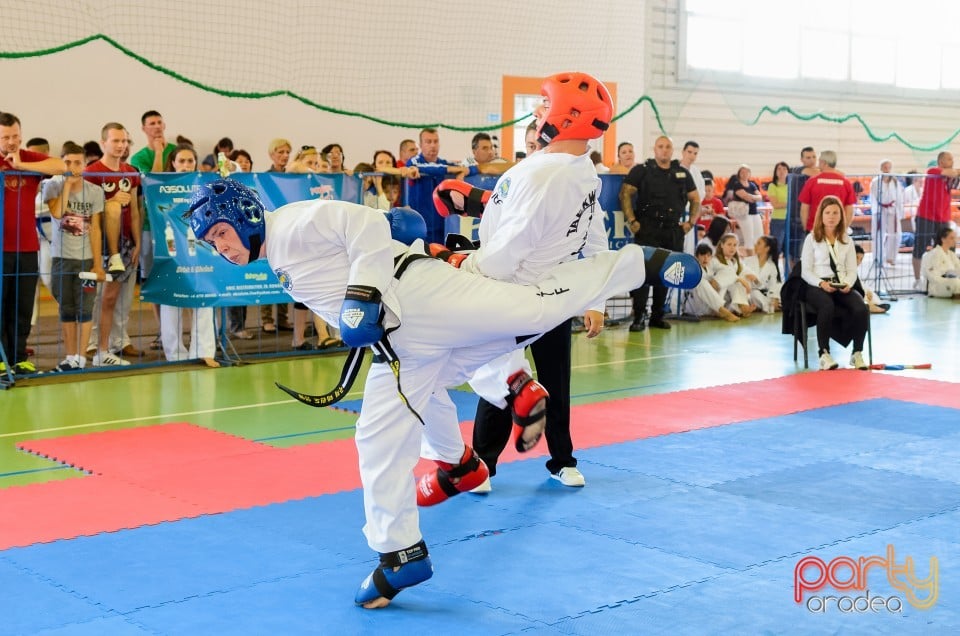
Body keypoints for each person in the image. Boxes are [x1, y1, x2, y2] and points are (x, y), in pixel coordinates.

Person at [187, 178, 687, 609]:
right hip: (402, 343)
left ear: (246, 215)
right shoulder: (279, 251)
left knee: (525, 312)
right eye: (212, 244)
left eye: (222, 234)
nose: (222, 248)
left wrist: (364, 292)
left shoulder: (292, 223)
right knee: (378, 439)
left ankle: (634, 265)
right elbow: (374, 237)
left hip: (423, 300)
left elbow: (364, 226)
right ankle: (404, 548)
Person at [447, 72, 649, 490]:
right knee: (508, 376)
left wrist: (462, 269)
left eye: (544, 105)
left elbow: (516, 245)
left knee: (519, 376)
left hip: (514, 288)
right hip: (552, 289)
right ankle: (487, 462)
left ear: (565, 118)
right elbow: (516, 219)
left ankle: (559, 458)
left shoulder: (551, 175)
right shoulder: (562, 171)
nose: (538, 112)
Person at [0, 112, 66, 375]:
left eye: (16, 135)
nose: (12, 141)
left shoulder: (26, 157)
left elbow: (61, 167)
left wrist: (25, 166)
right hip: (1, 248)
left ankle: (18, 357)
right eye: (5, 137)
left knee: (23, 305)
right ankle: (1, 358)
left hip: (27, 246)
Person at [620, 135, 701, 331]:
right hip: (647, 229)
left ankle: (657, 316)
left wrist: (690, 222)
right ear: (654, 149)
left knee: (667, 273)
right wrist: (632, 220)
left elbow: (696, 199)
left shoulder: (681, 173)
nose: (664, 150)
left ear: (672, 151)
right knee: (642, 274)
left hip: (672, 230)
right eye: (660, 147)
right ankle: (638, 317)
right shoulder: (642, 170)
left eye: (668, 147)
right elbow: (625, 193)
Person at [41, 142, 105, 371]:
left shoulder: (95, 191)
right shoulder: (52, 185)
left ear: (85, 164)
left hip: (86, 260)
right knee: (66, 309)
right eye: (67, 162)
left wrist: (98, 263)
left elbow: (96, 229)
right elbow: (57, 212)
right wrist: (66, 184)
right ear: (61, 162)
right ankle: (70, 356)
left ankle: (81, 355)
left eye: (78, 162)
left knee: (85, 308)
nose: (73, 167)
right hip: (61, 258)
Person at [84, 122, 142, 366]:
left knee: (118, 297)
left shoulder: (131, 172)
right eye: (116, 141)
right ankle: (93, 345)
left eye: (124, 141)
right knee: (99, 297)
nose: (121, 145)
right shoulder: (92, 172)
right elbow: (88, 213)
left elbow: (137, 212)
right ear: (103, 143)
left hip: (126, 243)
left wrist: (138, 243)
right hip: (101, 245)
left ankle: (109, 346)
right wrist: (110, 200)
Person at [158, 144, 219, 368]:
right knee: (171, 299)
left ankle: (203, 351)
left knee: (203, 298)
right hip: (171, 252)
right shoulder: (161, 187)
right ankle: (174, 354)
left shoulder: (204, 186)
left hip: (200, 251)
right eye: (181, 161)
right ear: (173, 163)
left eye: (190, 161)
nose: (186, 165)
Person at [799, 195, 870, 371]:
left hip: (841, 285)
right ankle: (824, 353)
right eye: (828, 212)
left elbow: (852, 270)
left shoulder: (847, 240)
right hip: (817, 285)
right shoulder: (811, 239)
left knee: (861, 307)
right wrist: (821, 284)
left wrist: (847, 283)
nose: (831, 216)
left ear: (841, 216)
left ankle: (857, 353)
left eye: (835, 213)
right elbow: (805, 271)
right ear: (821, 216)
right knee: (826, 306)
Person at [405, 128, 471, 243]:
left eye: (436, 141)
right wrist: (450, 169)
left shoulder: (444, 163)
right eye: (428, 142)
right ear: (421, 144)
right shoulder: (413, 162)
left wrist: (463, 171)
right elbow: (427, 168)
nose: (433, 145)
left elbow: (467, 168)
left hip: (442, 225)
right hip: (419, 226)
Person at [912, 152, 960, 284]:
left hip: (943, 217)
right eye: (949, 159)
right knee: (919, 248)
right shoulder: (932, 171)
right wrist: (956, 172)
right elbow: (953, 172)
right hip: (926, 216)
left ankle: (946, 277)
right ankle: (917, 280)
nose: (952, 161)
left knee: (947, 248)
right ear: (941, 161)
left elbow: (955, 177)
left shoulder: (950, 177)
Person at [798, 150, 856, 232]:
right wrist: (843, 228)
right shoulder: (846, 183)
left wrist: (806, 228)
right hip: (837, 229)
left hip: (815, 228)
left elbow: (804, 209)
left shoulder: (812, 181)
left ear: (823, 162)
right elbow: (850, 211)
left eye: (819, 161)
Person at [684, 243, 740, 322]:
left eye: (708, 256)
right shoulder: (692, 269)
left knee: (725, 278)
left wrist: (716, 282)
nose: (705, 258)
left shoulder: (711, 265)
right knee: (700, 282)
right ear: (696, 257)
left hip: (710, 306)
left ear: (711, 257)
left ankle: (721, 309)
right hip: (697, 306)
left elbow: (728, 270)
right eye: (703, 255)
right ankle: (723, 311)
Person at [869, 159, 905, 268]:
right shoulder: (875, 182)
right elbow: (872, 197)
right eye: (885, 167)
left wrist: (900, 212)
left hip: (893, 210)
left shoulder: (895, 182)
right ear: (881, 168)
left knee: (896, 234)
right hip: (879, 209)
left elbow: (899, 198)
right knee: (878, 235)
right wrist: (876, 211)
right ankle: (877, 259)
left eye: (889, 167)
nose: (887, 169)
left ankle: (891, 257)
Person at [723, 164, 763, 255]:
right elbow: (746, 197)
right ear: (739, 174)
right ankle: (749, 258)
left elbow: (760, 197)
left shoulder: (752, 184)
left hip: (754, 212)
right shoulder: (737, 185)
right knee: (748, 238)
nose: (744, 174)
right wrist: (754, 197)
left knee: (759, 236)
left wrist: (752, 197)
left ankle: (757, 257)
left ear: (749, 174)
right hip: (744, 214)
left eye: (747, 172)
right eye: (742, 172)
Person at [922, 227, 960, 298]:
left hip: (949, 281)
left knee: (956, 282)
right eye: (951, 238)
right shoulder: (934, 254)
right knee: (956, 283)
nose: (954, 240)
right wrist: (948, 279)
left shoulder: (951, 254)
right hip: (936, 286)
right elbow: (932, 276)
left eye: (955, 238)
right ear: (943, 239)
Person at [765, 161, 790, 248]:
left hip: (791, 220)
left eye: (784, 169)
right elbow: (776, 205)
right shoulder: (772, 186)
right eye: (779, 169)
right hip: (778, 220)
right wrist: (791, 203)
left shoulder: (792, 185)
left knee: (789, 248)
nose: (782, 171)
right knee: (776, 247)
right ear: (775, 172)